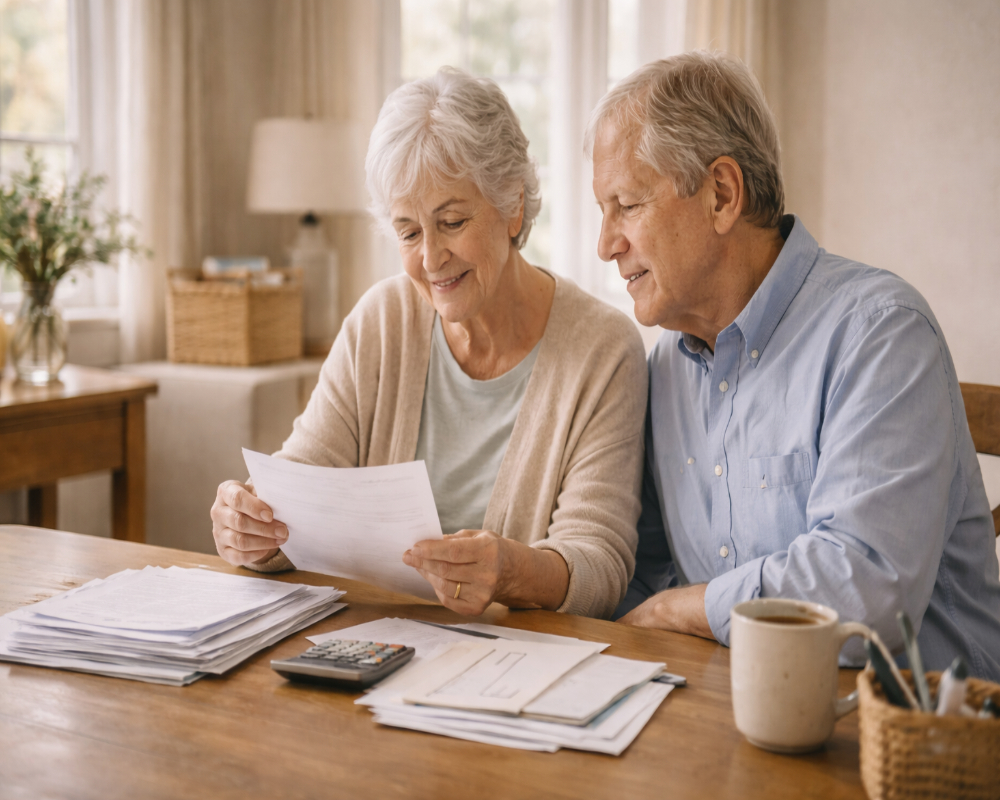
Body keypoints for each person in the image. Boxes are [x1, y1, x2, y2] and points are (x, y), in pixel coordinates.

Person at [591, 51, 1000, 679]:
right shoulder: (666, 364)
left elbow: (865, 601)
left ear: (722, 195)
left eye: (628, 205)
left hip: (916, 745)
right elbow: (644, 578)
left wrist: (685, 610)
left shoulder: (881, 334)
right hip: (736, 717)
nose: (605, 244)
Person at [210, 67, 647, 619]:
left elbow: (599, 566)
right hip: (369, 643)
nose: (430, 258)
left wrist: (510, 570)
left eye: (452, 221)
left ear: (512, 206)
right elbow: (298, 490)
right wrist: (254, 531)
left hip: (517, 665)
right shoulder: (382, 321)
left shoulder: (603, 349)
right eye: (409, 232)